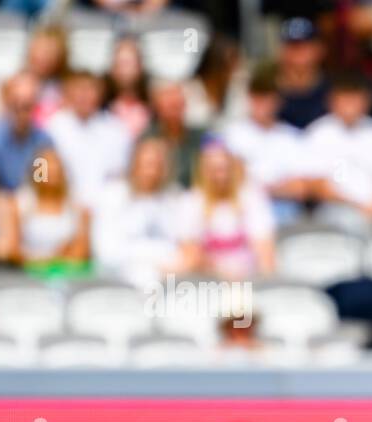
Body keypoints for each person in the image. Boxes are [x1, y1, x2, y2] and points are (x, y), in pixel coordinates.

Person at [305, 73, 372, 228]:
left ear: (366, 101)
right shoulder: (318, 133)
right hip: (336, 209)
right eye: (345, 99)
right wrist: (358, 207)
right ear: (332, 101)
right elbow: (317, 186)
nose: (350, 106)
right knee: (351, 222)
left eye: (355, 99)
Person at [221, 64, 311, 226]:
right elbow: (226, 179)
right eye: (256, 97)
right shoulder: (231, 134)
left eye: (267, 97)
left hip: (284, 211)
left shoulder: (292, 137)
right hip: (242, 209)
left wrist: (263, 188)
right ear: (249, 97)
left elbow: (302, 188)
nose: (261, 104)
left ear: (278, 100)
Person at [91, 136, 186, 287]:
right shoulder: (113, 195)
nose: (152, 171)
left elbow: (184, 251)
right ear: (134, 164)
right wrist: (159, 261)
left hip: (170, 287)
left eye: (158, 165)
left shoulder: (174, 199)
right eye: (148, 164)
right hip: (119, 287)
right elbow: (107, 253)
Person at [178, 141, 276, 280]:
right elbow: (190, 253)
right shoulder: (190, 202)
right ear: (203, 171)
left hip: (249, 280)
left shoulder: (252, 197)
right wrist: (224, 272)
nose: (221, 176)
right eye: (214, 170)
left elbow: (265, 248)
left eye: (224, 169)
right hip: (207, 282)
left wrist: (266, 280)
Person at [45, 70, 132, 210]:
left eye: (90, 89)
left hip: (105, 208)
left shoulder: (116, 130)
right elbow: (42, 172)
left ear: (100, 93)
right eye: (79, 89)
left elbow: (120, 176)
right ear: (69, 93)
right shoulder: (53, 127)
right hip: (63, 206)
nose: (84, 95)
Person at [0, 147, 90, 279]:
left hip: (67, 278)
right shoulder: (21, 204)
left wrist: (56, 262)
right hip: (27, 279)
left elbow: (81, 252)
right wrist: (47, 260)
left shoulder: (76, 207)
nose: (52, 171)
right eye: (46, 166)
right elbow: (13, 250)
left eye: (56, 166)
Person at [0, 73, 53, 193]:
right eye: (15, 104)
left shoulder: (43, 141)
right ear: (5, 102)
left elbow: (41, 183)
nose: (20, 112)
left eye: (26, 106)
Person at [275, 17, 330, 130]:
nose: (297, 52)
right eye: (291, 46)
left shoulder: (334, 92)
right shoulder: (266, 90)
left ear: (319, 49)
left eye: (304, 46)